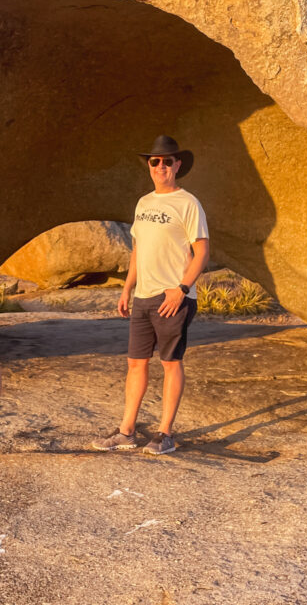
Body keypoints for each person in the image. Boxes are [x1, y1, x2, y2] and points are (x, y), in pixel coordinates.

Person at [92, 135, 209, 455]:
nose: (161, 166)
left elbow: (202, 252)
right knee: (135, 363)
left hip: (173, 297)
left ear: (178, 165)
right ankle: (126, 431)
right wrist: (127, 288)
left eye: (167, 161)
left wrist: (181, 290)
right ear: (149, 165)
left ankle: (165, 434)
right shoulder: (144, 203)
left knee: (171, 363)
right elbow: (138, 249)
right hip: (144, 296)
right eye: (155, 161)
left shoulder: (188, 203)